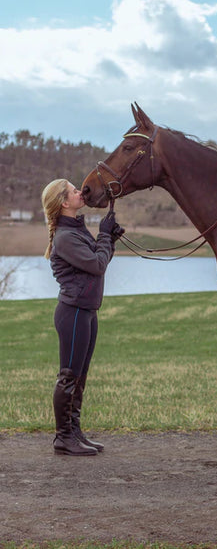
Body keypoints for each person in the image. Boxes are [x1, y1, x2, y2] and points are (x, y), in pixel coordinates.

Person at [41, 178, 123, 456]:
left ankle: (74, 432)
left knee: (80, 377)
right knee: (69, 376)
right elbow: (97, 264)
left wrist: (108, 238)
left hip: (86, 311)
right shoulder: (66, 237)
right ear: (64, 202)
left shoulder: (75, 230)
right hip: (73, 312)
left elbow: (99, 260)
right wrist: (104, 236)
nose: (80, 192)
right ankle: (63, 437)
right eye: (75, 191)